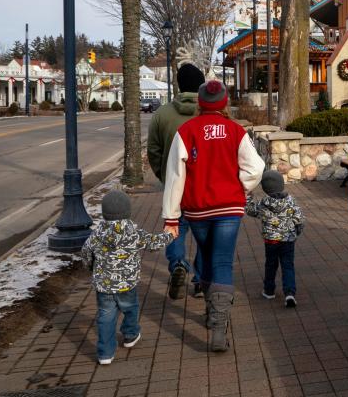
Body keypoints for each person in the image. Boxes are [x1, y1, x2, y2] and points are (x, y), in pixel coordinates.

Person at [162, 79, 264, 352]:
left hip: (197, 209)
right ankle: (218, 328)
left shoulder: (187, 131)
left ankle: (211, 313)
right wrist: (240, 186)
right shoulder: (234, 131)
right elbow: (255, 167)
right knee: (221, 262)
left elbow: (175, 177)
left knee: (206, 257)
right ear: (224, 102)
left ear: (200, 102)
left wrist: (171, 217)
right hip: (228, 208)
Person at [80, 189, 173, 365]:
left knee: (105, 316)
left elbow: (85, 252)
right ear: (128, 211)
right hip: (127, 283)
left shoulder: (97, 234)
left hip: (104, 285)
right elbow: (153, 243)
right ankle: (130, 335)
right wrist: (170, 235)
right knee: (130, 308)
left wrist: (91, 268)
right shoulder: (134, 232)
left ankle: (105, 353)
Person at [147, 63, 207, 300]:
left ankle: (178, 265)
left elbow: (154, 150)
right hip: (204, 187)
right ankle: (201, 279)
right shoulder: (208, 113)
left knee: (174, 229)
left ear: (179, 85)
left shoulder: (162, 114)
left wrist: (164, 175)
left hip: (175, 186)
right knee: (205, 236)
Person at [245, 170, 304, 308]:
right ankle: (289, 293)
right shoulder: (291, 201)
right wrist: (296, 233)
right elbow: (300, 219)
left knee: (271, 264)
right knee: (288, 265)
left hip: (271, 241)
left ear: (265, 188)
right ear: (282, 184)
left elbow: (250, 210)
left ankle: (269, 290)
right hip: (288, 240)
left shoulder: (263, 203)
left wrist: (248, 197)